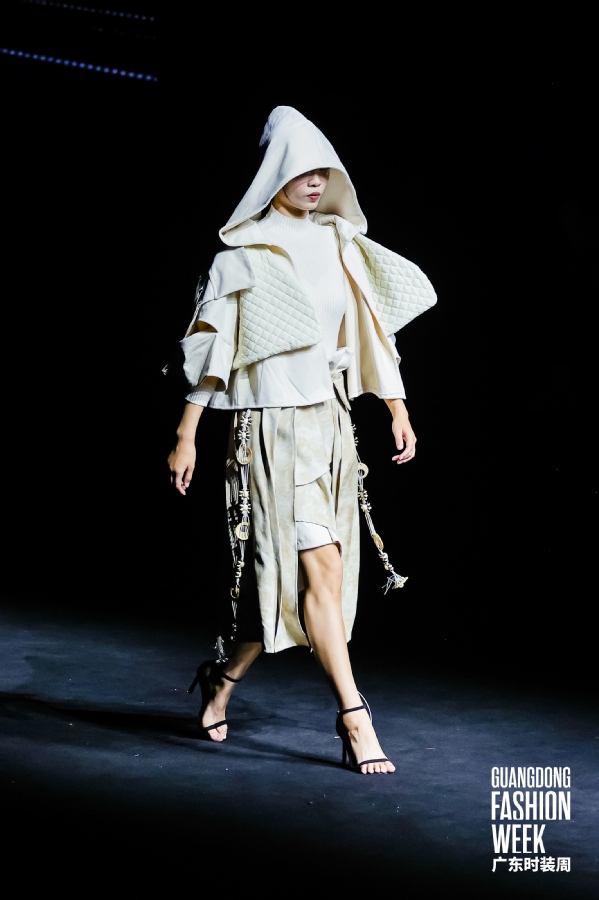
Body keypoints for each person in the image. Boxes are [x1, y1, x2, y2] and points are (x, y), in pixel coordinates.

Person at [167, 106, 436, 774]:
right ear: (275, 173)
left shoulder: (340, 242)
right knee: (319, 567)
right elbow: (214, 348)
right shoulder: (244, 253)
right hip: (269, 431)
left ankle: (222, 679)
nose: (316, 182)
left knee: (300, 578)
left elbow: (370, 331)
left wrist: (396, 407)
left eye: (325, 171)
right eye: (302, 170)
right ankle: (353, 716)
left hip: (331, 426)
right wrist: (186, 433)